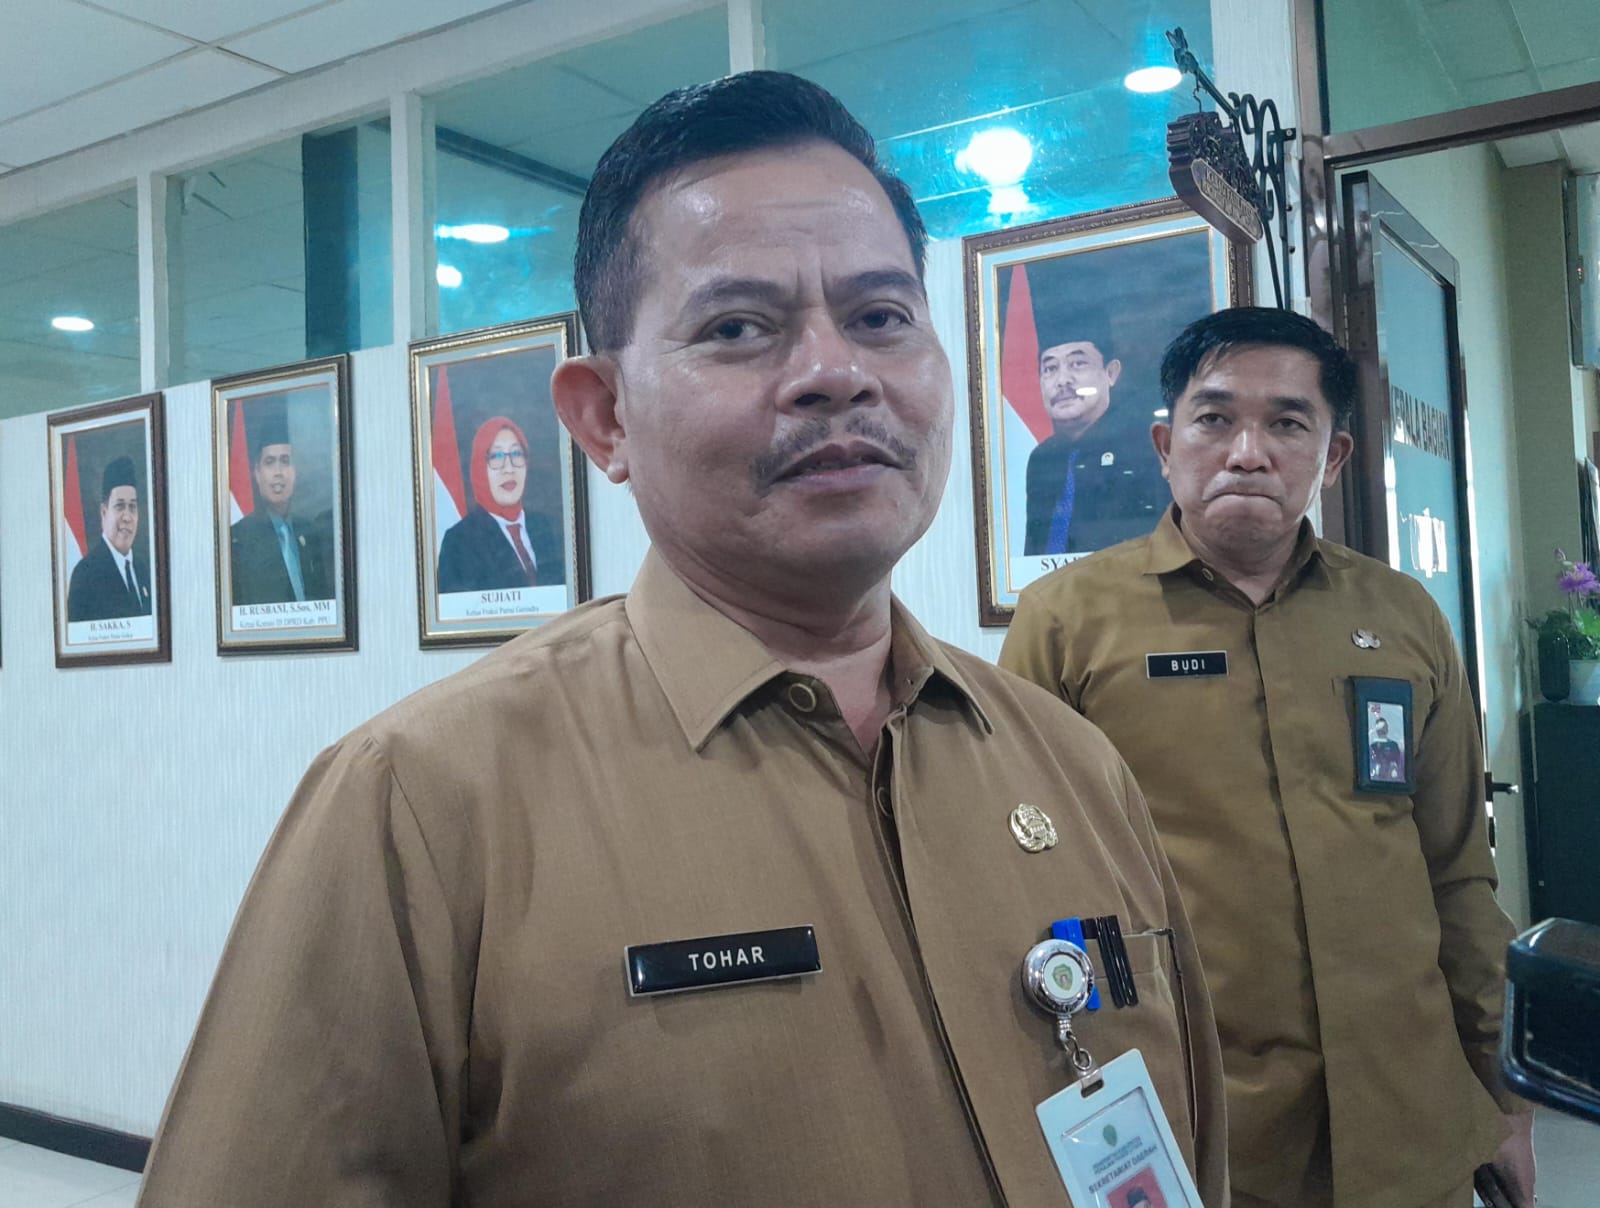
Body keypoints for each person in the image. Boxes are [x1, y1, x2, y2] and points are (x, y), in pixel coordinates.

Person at [136, 71, 1227, 1207]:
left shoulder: (1071, 762)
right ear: (604, 417)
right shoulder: (420, 804)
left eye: (880, 317)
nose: (836, 372)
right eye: (738, 328)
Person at [1001, 306, 1534, 1208]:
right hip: (1198, 1125)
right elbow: (1031, 887)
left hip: (1411, 1117)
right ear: (1166, 444)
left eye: (1288, 423)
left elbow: (1457, 873)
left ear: (1333, 457)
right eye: (1214, 419)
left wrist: (1504, 1092)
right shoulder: (1066, 622)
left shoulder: (1402, 616)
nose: (1247, 453)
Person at [1022, 314, 1167, 556]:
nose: (1062, 380)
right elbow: (1036, 548)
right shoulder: (1042, 458)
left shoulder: (1145, 449)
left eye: (1077, 364)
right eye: (1050, 368)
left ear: (1111, 373)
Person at [435, 415, 564, 592]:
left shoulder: (545, 527)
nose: (509, 468)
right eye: (496, 456)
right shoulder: (459, 541)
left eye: (517, 454)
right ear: (480, 467)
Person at [230, 416, 333, 605]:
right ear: (257, 473)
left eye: (285, 461)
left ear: (295, 471)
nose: (278, 472)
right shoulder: (239, 538)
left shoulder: (309, 532)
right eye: (269, 462)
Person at [66, 454, 151, 622]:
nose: (127, 517)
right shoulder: (85, 574)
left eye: (132, 507)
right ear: (104, 512)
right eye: (120, 506)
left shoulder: (143, 570)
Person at [1370, 712, 1405, 782]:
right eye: (1380, 728)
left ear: (1387, 729)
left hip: (1391, 777)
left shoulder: (1393, 744)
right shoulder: (1372, 746)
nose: (1382, 730)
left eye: (1384, 727)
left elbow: (1398, 761)